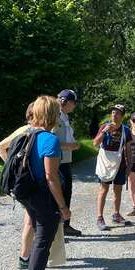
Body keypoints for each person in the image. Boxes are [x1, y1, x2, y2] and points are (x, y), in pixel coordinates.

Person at [24, 95, 71, 270]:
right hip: (42, 195)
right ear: (52, 114)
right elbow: (51, 177)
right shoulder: (49, 139)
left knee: (38, 237)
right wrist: (63, 207)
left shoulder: (26, 134)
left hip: (27, 193)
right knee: (44, 240)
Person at [0, 102, 35, 269]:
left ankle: (26, 256)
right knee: (31, 220)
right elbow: (0, 147)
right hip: (25, 182)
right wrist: (14, 169)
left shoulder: (34, 131)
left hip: (27, 181)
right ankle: (25, 258)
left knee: (31, 219)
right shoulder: (25, 130)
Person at [93, 104, 132, 230]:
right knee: (103, 189)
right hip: (106, 163)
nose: (114, 114)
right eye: (113, 112)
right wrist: (104, 132)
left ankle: (116, 214)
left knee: (118, 189)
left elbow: (128, 149)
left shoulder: (126, 130)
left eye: (118, 113)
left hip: (120, 163)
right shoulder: (104, 127)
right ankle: (99, 218)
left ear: (122, 116)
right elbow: (95, 143)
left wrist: (129, 166)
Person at [53, 89, 81, 236]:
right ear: (67, 102)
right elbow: (51, 140)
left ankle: (65, 226)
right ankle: (58, 229)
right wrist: (70, 146)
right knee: (60, 194)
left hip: (65, 161)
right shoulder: (54, 116)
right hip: (56, 162)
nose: (74, 106)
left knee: (66, 192)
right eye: (74, 103)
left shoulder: (64, 116)